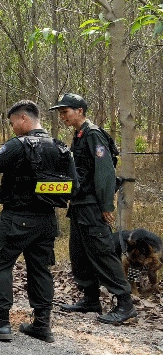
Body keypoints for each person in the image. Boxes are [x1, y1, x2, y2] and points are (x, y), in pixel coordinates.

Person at [0, 100, 73, 343]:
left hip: (17, 218)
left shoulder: (18, 145)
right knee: (40, 269)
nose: (13, 127)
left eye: (13, 122)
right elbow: (72, 183)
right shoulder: (60, 147)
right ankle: (42, 325)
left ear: (23, 119)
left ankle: (0, 324)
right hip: (47, 220)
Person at [51, 93, 137, 325]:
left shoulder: (93, 135)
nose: (62, 116)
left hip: (92, 206)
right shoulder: (79, 136)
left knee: (102, 253)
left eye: (65, 112)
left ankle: (125, 304)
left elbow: (105, 172)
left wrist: (106, 204)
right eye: (60, 112)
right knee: (79, 254)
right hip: (79, 204)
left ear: (80, 110)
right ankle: (90, 299)